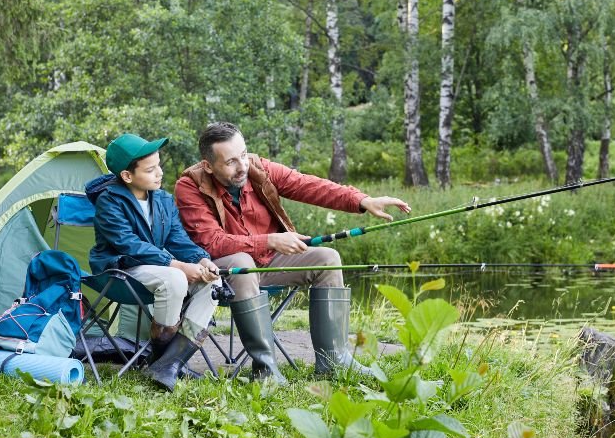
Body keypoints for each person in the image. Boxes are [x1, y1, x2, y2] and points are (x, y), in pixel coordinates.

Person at [175, 122, 410, 384]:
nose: (242, 165)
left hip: (268, 261)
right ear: (208, 165)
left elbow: (306, 185)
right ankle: (265, 370)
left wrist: (362, 200)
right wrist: (271, 240)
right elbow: (213, 241)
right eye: (230, 161)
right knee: (243, 262)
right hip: (225, 271)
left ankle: (334, 361)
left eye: (243, 154)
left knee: (327, 259)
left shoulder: (258, 168)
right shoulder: (189, 186)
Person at [86, 133, 221, 392]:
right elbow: (128, 245)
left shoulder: (162, 200)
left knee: (214, 283)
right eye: (150, 170)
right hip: (120, 270)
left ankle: (170, 364)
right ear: (127, 176)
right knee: (175, 278)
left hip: (158, 269)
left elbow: (178, 240)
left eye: (159, 165)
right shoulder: (109, 201)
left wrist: (202, 259)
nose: (159, 173)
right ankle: (161, 360)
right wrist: (179, 266)